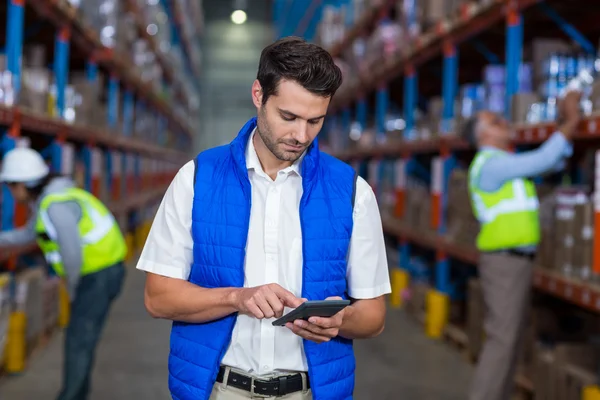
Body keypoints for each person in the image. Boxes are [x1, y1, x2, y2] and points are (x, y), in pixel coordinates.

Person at [138, 36, 391, 400]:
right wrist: (236, 298)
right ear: (259, 94)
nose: (301, 135)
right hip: (219, 389)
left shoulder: (352, 192)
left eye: (315, 120)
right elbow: (158, 298)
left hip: (310, 392)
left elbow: (374, 315)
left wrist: (341, 321)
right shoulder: (197, 179)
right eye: (288, 117)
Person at [464, 90, 581, 400]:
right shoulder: (490, 164)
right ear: (484, 134)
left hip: (515, 262)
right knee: (502, 342)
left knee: (511, 341)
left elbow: (551, 163)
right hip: (503, 262)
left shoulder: (506, 163)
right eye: (495, 120)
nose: (504, 122)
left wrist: (561, 127)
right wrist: (571, 120)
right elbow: (544, 158)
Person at [0, 147, 127, 400]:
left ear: (24, 184)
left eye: (11, 187)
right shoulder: (55, 197)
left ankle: (71, 397)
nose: (11, 193)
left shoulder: (53, 205)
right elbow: (29, 233)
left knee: (78, 341)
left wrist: (71, 287)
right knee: (81, 339)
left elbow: (70, 250)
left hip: (97, 276)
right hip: (105, 271)